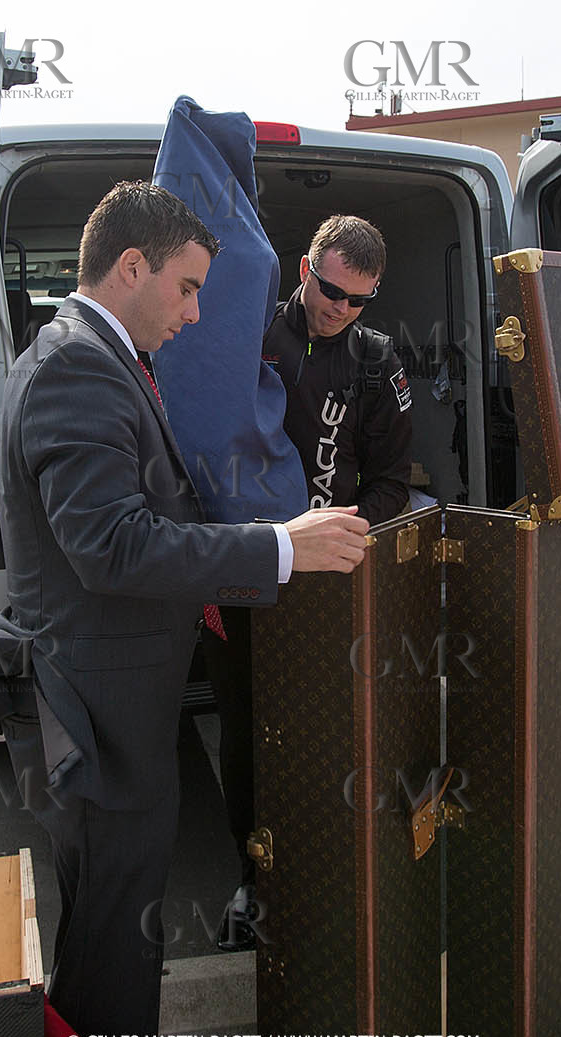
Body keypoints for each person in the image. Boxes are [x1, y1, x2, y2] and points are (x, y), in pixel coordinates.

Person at [0, 181, 370, 1037]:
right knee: (113, 931)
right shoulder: (79, 366)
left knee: (113, 922)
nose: (197, 312)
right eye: (189, 286)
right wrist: (278, 547)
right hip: (100, 714)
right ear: (132, 267)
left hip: (112, 706)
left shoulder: (94, 354)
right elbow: (112, 547)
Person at [203, 214, 413, 951]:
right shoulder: (247, 334)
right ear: (303, 269)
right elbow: (199, 457)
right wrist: (212, 576)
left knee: (329, 734)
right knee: (248, 730)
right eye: (329, 290)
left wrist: (338, 532)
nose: (338, 307)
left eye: (358, 299)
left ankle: (325, 877)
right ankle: (252, 878)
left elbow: (393, 482)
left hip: (329, 580)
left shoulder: (376, 359)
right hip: (244, 573)